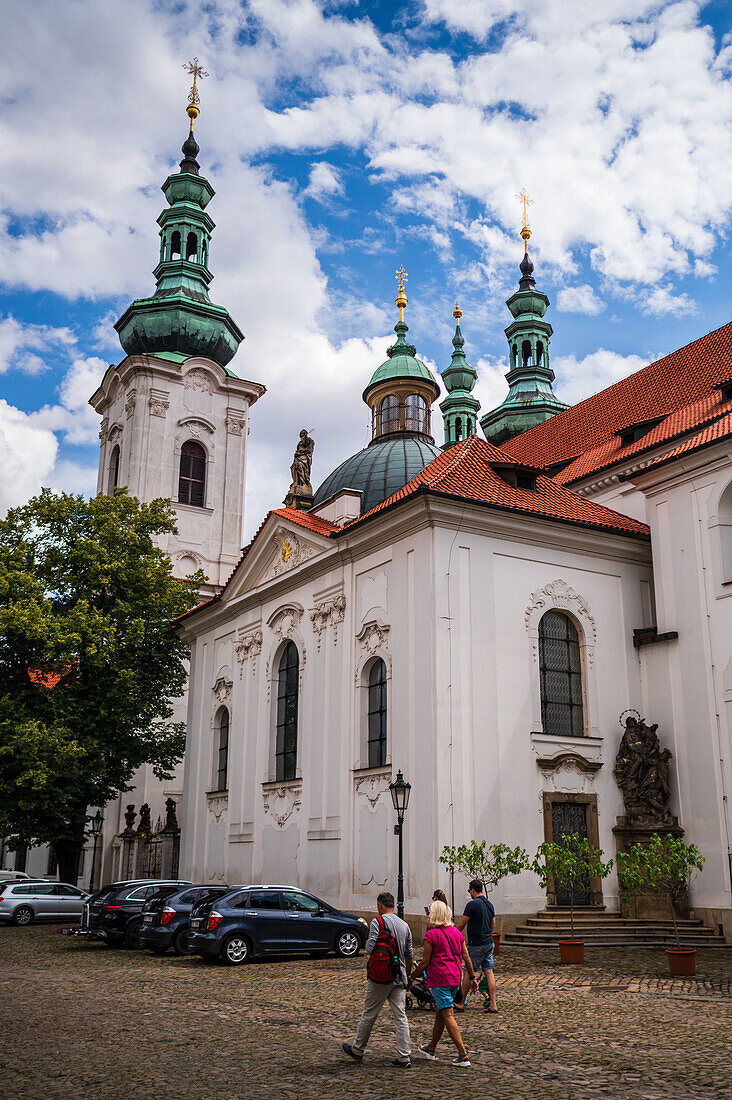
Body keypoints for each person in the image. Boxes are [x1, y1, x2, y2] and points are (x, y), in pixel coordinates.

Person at [342, 891, 413, 1068]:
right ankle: (404, 1057)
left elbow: (370, 948)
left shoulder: (378, 921)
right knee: (401, 1017)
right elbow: (409, 955)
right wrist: (408, 976)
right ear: (394, 905)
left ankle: (357, 1051)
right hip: (399, 975)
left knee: (369, 1013)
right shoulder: (405, 925)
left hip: (381, 977)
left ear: (380, 905)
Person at [409, 900, 478, 1068]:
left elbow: (425, 962)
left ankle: (463, 1054)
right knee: (441, 1012)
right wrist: (472, 977)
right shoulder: (456, 933)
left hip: (439, 978)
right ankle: (431, 1048)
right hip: (455, 977)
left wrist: (411, 977)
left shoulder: (431, 935)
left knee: (448, 1014)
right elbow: (466, 956)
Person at [455, 878, 497, 1013]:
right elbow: (493, 925)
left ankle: (461, 1002)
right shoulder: (490, 904)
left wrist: (453, 935)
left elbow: (462, 923)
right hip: (489, 942)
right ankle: (493, 1004)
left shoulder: (472, 904)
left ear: (473, 890)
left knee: (468, 972)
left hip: (476, 943)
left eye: (469, 891)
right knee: (489, 972)